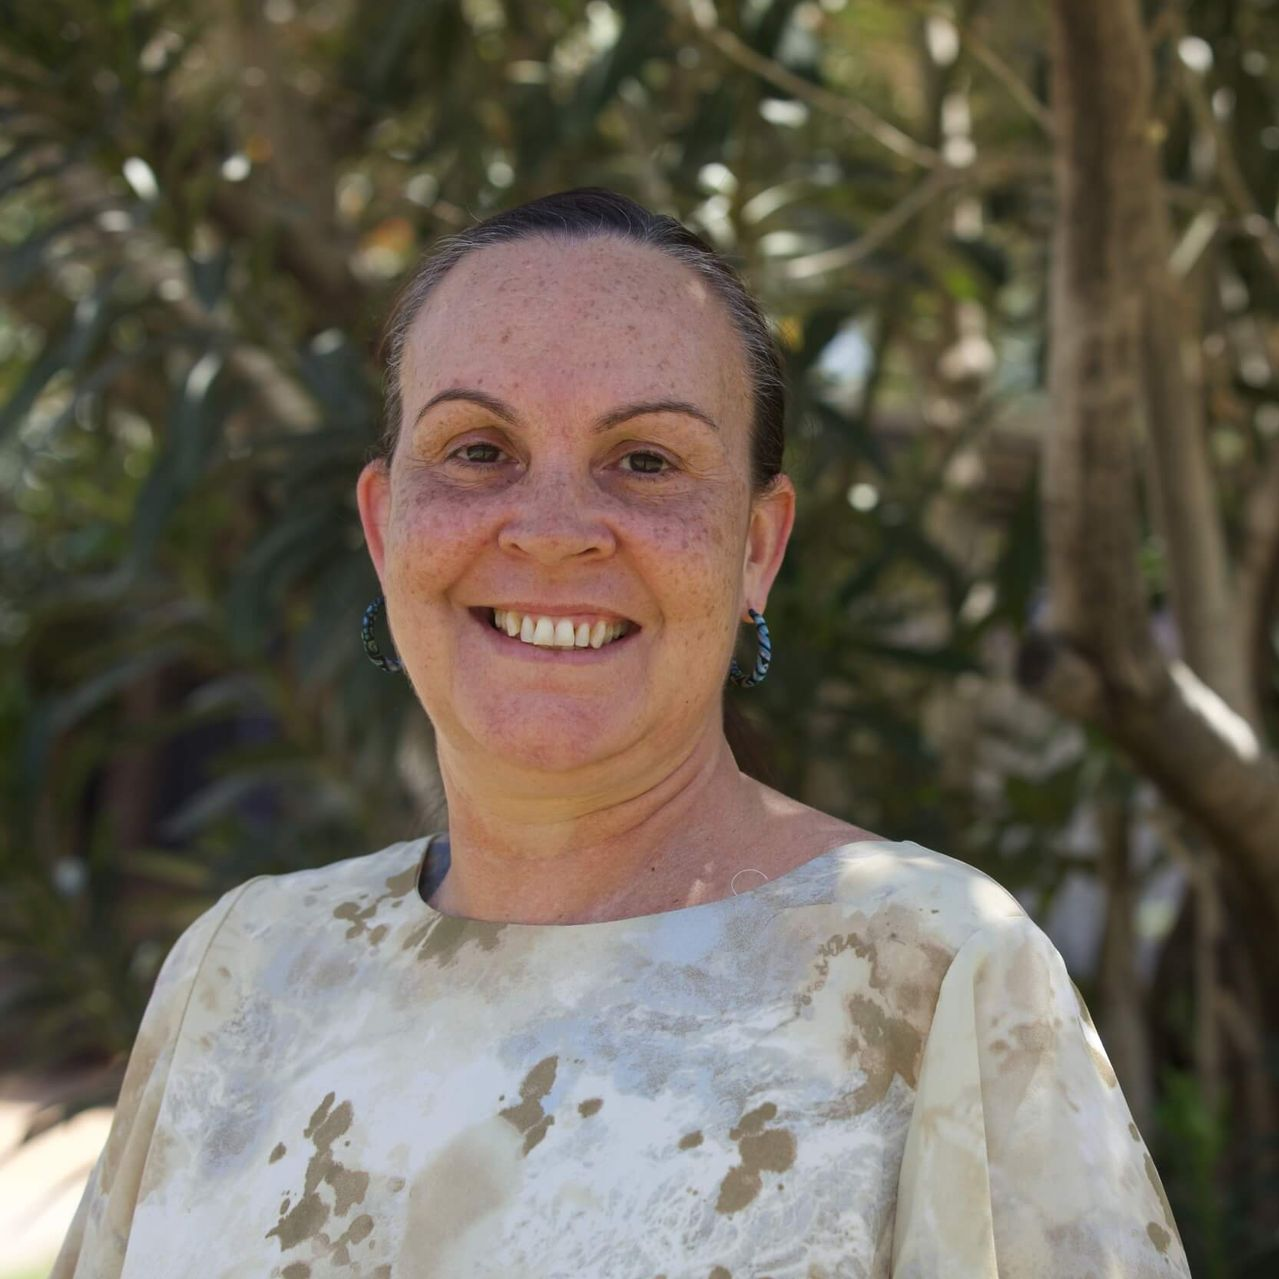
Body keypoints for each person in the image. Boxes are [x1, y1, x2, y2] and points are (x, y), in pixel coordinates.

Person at [53, 188, 1190, 1278]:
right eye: (477, 450)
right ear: (383, 526)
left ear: (756, 546)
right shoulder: (242, 968)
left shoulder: (928, 976)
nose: (551, 533)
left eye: (644, 461)